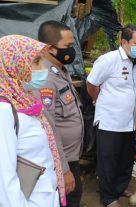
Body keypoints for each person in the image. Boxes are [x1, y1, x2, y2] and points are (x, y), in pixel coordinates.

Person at [0, 35, 66, 207]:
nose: (43, 67)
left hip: (44, 196)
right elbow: (4, 182)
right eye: (36, 61)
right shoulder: (4, 111)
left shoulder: (26, 102)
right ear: (14, 66)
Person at [86, 24, 136, 207]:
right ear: (124, 41)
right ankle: (109, 197)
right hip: (110, 122)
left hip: (128, 122)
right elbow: (91, 84)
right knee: (108, 161)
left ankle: (120, 188)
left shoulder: (135, 64)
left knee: (125, 159)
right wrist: (99, 101)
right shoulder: (108, 60)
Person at [35, 20, 84, 207]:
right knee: (69, 198)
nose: (72, 51)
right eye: (68, 46)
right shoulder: (44, 77)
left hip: (70, 154)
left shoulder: (61, 70)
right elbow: (48, 126)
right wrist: (63, 169)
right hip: (59, 158)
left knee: (72, 196)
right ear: (50, 48)